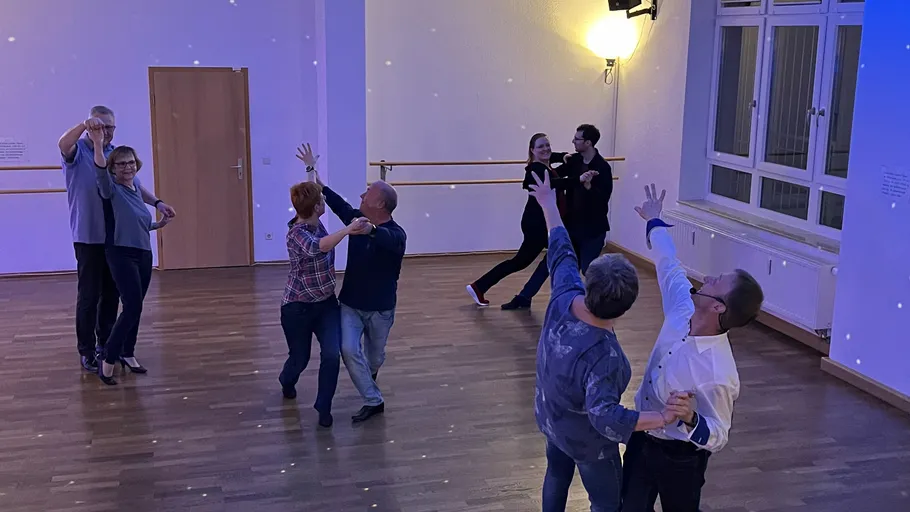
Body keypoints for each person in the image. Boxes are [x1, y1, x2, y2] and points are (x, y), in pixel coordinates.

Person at [527, 172, 692, 512]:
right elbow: (606, 417)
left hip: (551, 417)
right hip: (588, 445)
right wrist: (661, 418)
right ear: (627, 306)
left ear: (589, 282)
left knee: (556, 475)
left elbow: (559, 245)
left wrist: (547, 201)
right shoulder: (605, 355)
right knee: (605, 502)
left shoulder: (564, 293)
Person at [620, 184, 764, 512]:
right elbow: (668, 263)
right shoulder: (683, 307)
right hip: (642, 438)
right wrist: (654, 220)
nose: (709, 278)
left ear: (718, 308)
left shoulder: (719, 373)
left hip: (680, 460)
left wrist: (690, 417)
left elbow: (718, 434)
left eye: (717, 282)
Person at [59, 106, 175, 372]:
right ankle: (86, 350)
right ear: (92, 126)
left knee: (111, 296)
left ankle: (106, 345)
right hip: (88, 235)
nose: (108, 132)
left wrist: (157, 202)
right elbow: (63, 143)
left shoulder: (114, 154)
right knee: (89, 295)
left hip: (115, 239)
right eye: (103, 127)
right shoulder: (79, 150)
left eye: (111, 127)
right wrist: (84, 125)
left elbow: (133, 184)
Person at [296, 143, 406, 423]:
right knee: (348, 350)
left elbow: (389, 240)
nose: (361, 194)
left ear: (380, 203)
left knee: (374, 359)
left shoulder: (396, 234)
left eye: (367, 193)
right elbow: (334, 200)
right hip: (351, 305)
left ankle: (369, 382)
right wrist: (312, 171)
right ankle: (373, 399)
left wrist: (371, 230)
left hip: (381, 309)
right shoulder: (356, 220)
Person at [278, 179, 372, 428]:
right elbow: (318, 247)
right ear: (315, 208)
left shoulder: (314, 221)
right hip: (297, 307)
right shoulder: (297, 234)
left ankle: (324, 406)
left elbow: (312, 195)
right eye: (321, 201)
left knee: (331, 355)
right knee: (300, 358)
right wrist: (348, 229)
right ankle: (286, 380)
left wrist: (311, 170)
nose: (324, 203)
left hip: (327, 304)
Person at [89, 137, 173, 385]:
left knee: (135, 306)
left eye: (131, 163)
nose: (128, 168)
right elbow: (100, 169)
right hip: (120, 253)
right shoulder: (110, 188)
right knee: (133, 305)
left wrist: (159, 222)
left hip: (143, 253)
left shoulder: (135, 187)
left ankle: (127, 352)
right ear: (113, 168)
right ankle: (108, 358)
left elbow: (140, 222)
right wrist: (96, 142)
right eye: (122, 164)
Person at [466, 133, 586, 306]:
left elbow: (555, 171)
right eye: (540, 147)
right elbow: (554, 183)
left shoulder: (545, 167)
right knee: (547, 257)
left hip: (540, 223)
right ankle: (557, 298)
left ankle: (485, 287)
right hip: (537, 225)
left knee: (528, 260)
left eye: (547, 145)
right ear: (532, 150)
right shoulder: (536, 170)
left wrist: (563, 156)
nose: (546, 149)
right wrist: (578, 180)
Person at [502, 124, 613, 310]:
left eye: (577, 139)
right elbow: (552, 176)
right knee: (550, 261)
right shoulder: (575, 161)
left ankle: (602, 305)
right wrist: (532, 175)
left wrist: (588, 188)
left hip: (592, 230)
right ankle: (524, 297)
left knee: (588, 269)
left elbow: (603, 200)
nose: (573, 141)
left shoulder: (602, 168)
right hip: (571, 226)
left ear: (588, 142)